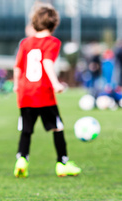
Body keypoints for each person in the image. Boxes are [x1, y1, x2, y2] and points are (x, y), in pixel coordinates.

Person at [13, 3, 81, 178]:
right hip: (43, 93)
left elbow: (17, 67)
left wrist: (15, 85)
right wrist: (56, 83)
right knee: (57, 128)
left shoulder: (25, 42)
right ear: (54, 24)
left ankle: (22, 160)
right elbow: (47, 62)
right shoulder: (53, 42)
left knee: (26, 129)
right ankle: (62, 163)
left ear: (34, 22)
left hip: (25, 93)